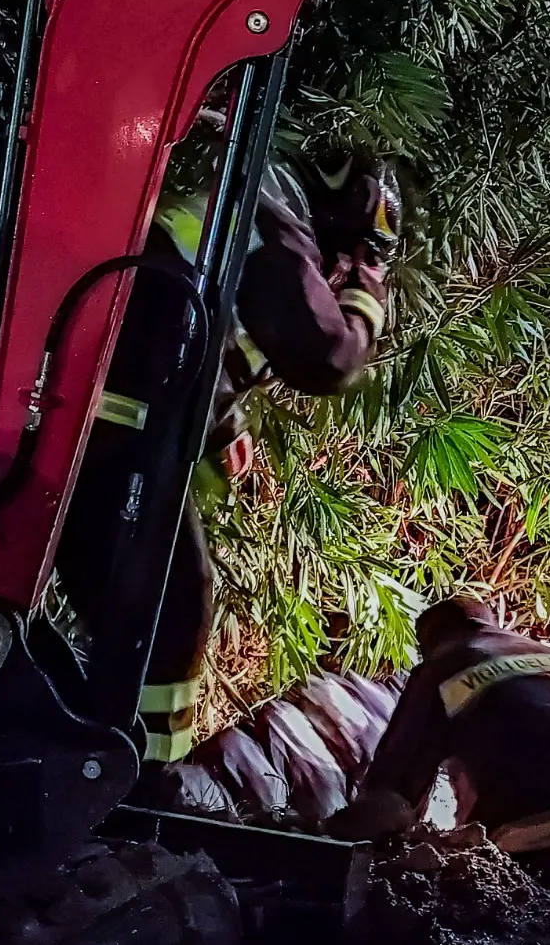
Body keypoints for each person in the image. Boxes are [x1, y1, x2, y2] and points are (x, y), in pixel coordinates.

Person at [56, 142, 398, 768]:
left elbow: (198, 318)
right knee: (174, 601)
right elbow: (323, 354)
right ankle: (144, 780)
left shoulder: (251, 210)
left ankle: (95, 753)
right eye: (344, 264)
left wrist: (222, 422)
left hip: (111, 414)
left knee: (133, 611)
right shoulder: (273, 223)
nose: (338, 278)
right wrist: (368, 304)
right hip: (116, 423)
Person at [326, 597, 550, 924]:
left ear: (428, 644)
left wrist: (332, 840)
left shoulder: (445, 664)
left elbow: (390, 800)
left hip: (541, 835)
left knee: (451, 886)